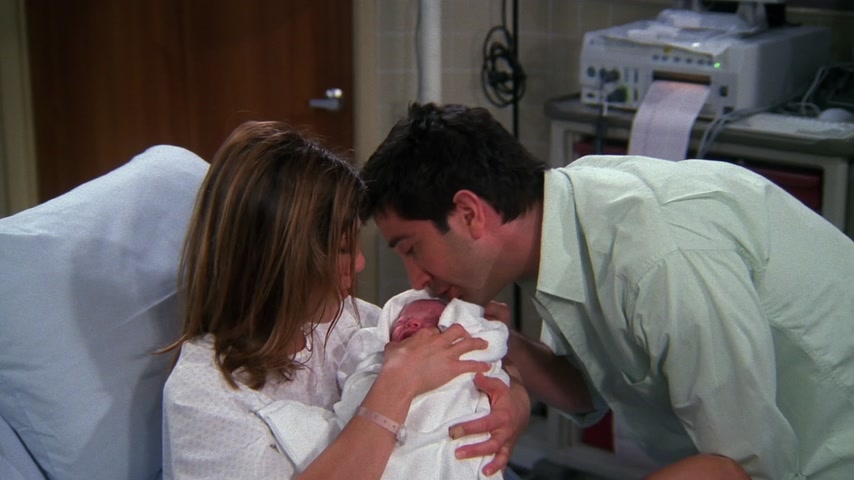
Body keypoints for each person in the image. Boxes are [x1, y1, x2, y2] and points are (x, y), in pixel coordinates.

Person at [359, 102, 854, 479]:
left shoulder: (657, 260)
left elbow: (744, 465)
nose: (416, 279)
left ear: (469, 214)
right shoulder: (562, 222)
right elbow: (587, 391)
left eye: (412, 249)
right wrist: (501, 344)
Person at [159, 120, 518, 480]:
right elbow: (406, 376)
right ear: (281, 261)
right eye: (343, 249)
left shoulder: (351, 323)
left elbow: (478, 371)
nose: (359, 264)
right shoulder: (204, 393)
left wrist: (512, 402)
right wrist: (396, 384)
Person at [260, 289, 510, 479]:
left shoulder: (357, 315)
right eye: (403, 321)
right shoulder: (371, 350)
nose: (412, 323)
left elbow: (489, 360)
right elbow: (352, 389)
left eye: (430, 323)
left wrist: (513, 400)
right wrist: (394, 377)